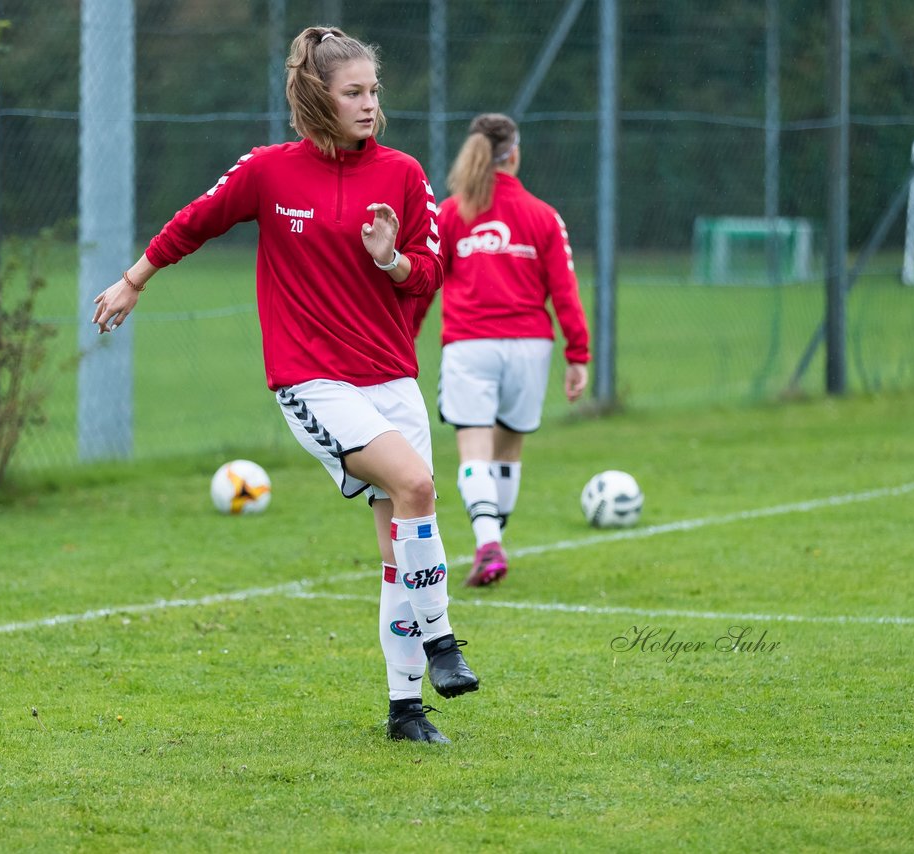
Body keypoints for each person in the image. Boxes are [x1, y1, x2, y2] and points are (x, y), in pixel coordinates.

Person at [91, 27, 477, 744]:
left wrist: (393, 260)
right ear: (318, 98)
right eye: (354, 92)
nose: (370, 104)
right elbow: (195, 222)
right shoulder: (269, 172)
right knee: (417, 487)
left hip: (391, 377)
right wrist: (133, 278)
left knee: (399, 547)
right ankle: (443, 643)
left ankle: (404, 711)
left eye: (373, 91)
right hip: (311, 378)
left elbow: (431, 272)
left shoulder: (400, 173)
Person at [429, 112, 590, 587]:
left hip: (470, 345)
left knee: (473, 450)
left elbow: (424, 285)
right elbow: (565, 291)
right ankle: (492, 542)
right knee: (508, 450)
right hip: (530, 348)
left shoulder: (452, 213)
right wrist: (577, 354)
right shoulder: (544, 216)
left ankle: (486, 544)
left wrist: (405, 336)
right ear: (514, 154)